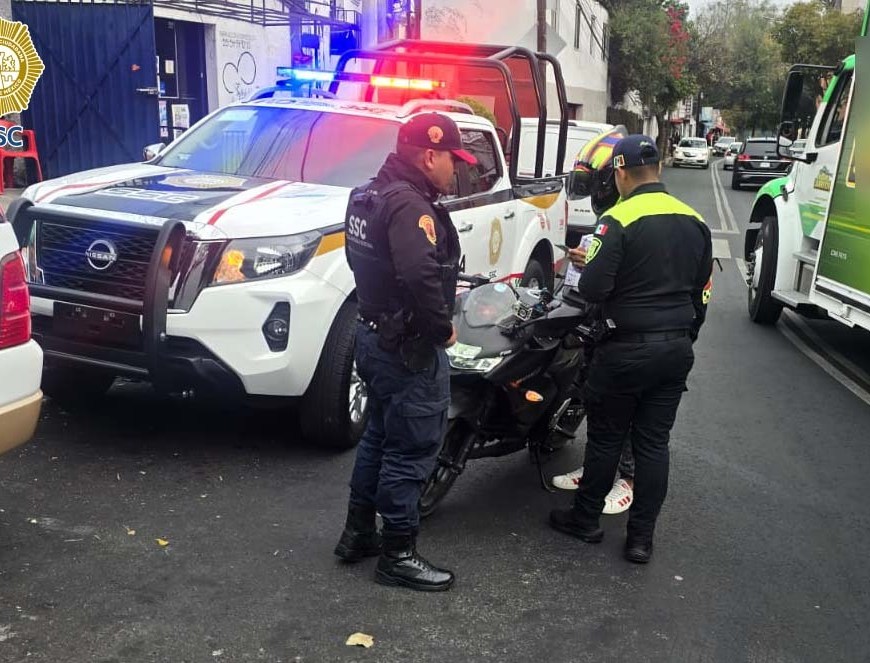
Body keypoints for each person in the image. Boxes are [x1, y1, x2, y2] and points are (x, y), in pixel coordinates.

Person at [549, 134, 713, 564]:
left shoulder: (616, 220)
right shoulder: (695, 219)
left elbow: (594, 287)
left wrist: (594, 266)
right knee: (654, 445)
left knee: (605, 440)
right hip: (675, 351)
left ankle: (585, 521)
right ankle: (641, 540)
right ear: (657, 169)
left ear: (620, 173)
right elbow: (700, 294)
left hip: (623, 350)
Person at [334, 112, 477, 591]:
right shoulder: (409, 206)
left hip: (374, 337)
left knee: (377, 436)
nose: (455, 170)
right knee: (411, 449)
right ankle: (397, 552)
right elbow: (418, 275)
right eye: (451, 160)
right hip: (409, 348)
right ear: (429, 154)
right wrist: (441, 331)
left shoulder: (367, 195)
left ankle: (357, 533)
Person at [553, 125, 634, 515]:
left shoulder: (636, 217)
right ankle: (595, 470)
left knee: (632, 412)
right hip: (600, 324)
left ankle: (629, 478)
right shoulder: (612, 217)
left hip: (634, 333)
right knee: (596, 402)